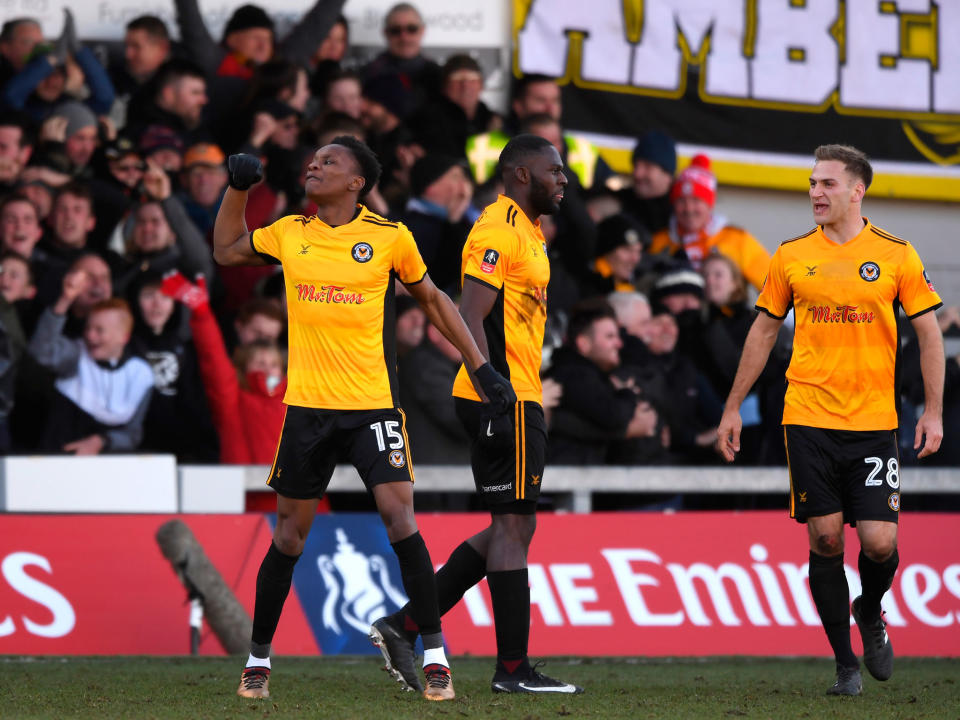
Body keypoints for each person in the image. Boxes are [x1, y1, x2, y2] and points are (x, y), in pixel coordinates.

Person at [213, 135, 516, 702]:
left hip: (374, 405)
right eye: (314, 158)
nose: (314, 164)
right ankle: (258, 660)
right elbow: (227, 249)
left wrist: (480, 366)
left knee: (400, 517)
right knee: (291, 535)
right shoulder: (290, 232)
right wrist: (237, 189)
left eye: (330, 161)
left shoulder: (388, 236)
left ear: (357, 182)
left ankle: (433, 655)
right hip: (307, 409)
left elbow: (433, 301)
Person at [717, 144, 945, 696]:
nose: (815, 193)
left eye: (827, 184)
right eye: (812, 183)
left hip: (873, 421)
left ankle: (870, 609)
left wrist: (933, 410)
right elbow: (765, 331)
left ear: (856, 191)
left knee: (880, 544)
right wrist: (732, 407)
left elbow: (929, 332)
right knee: (824, 541)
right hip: (808, 416)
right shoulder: (792, 255)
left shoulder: (896, 254)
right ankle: (845, 664)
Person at [370, 134, 583, 695]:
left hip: (517, 395)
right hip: (502, 397)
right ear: (519, 175)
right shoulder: (496, 231)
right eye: (553, 170)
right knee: (513, 526)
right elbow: (468, 313)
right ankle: (512, 671)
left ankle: (406, 624)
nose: (563, 179)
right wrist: (492, 386)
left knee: (513, 525)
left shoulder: (529, 233)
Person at [648, 154, 771, 291]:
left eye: (696, 201)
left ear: (710, 204)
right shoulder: (659, 242)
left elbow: (775, 289)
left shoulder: (738, 240)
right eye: (682, 201)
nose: (689, 209)